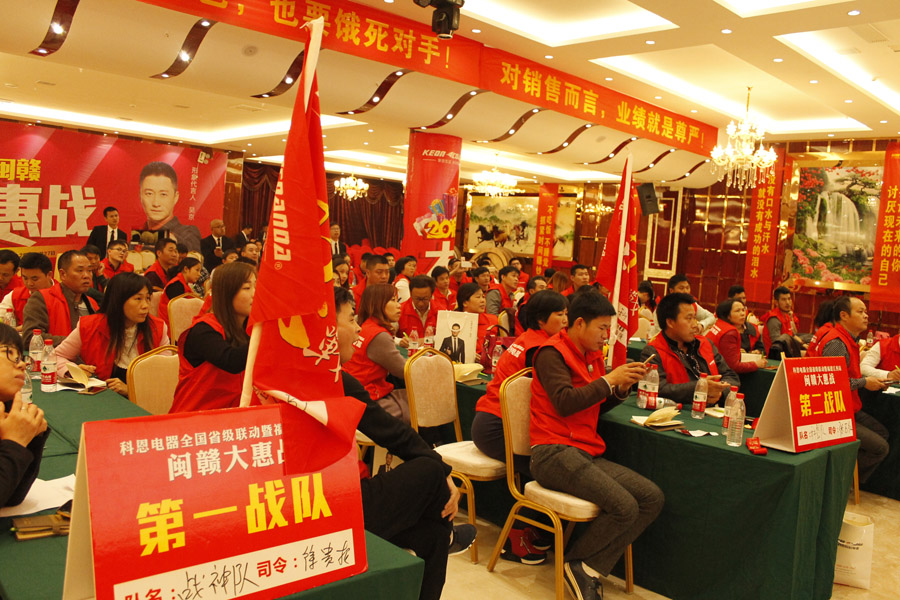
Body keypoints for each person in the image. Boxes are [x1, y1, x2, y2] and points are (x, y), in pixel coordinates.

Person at [333, 286, 474, 600]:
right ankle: (448, 530)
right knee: (429, 471)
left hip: (354, 492)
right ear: (325, 328)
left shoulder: (340, 380)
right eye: (351, 319)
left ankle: (446, 535)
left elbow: (393, 433)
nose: (357, 329)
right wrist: (440, 473)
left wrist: (443, 473)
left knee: (433, 534)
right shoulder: (303, 385)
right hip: (332, 505)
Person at [529, 290, 664, 599]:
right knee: (624, 506)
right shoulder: (551, 353)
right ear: (579, 323)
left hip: (584, 452)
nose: (606, 335)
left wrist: (620, 388)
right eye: (602, 328)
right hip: (551, 452)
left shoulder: (592, 356)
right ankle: (577, 565)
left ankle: (585, 567)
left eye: (608, 328)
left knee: (651, 498)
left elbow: (592, 405)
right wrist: (609, 380)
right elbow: (565, 403)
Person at [471, 290, 567, 564]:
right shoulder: (538, 349)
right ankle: (514, 539)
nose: (565, 319)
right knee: (544, 470)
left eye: (566, 313)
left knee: (542, 468)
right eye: (559, 314)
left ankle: (533, 529)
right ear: (541, 319)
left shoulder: (531, 339)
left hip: (495, 421)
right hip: (496, 426)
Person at [807, 297, 889, 483]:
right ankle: (841, 480)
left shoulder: (848, 339)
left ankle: (844, 475)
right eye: (860, 312)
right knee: (881, 447)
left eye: (866, 311)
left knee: (883, 433)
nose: (866, 316)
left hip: (847, 407)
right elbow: (832, 383)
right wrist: (864, 382)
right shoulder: (837, 343)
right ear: (844, 315)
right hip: (831, 412)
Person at [55, 273, 169, 397]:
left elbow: (166, 375)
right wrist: (74, 371)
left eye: (147, 298)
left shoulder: (157, 328)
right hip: (100, 399)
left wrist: (132, 390)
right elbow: (56, 356)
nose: (146, 306)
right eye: (138, 299)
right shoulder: (90, 326)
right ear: (118, 300)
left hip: (145, 400)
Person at [169, 262, 256, 413]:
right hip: (196, 418)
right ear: (226, 293)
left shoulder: (248, 328)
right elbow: (231, 361)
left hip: (233, 416)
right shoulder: (203, 330)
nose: (255, 293)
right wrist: (266, 334)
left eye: (256, 286)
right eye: (247, 288)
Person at [641, 293, 739, 406]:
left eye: (695, 318)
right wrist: (699, 388)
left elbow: (731, 376)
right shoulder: (653, 351)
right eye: (689, 318)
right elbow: (659, 389)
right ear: (670, 322)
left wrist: (719, 393)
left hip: (713, 410)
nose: (695, 325)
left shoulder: (705, 343)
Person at [343, 284, 410, 423]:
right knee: (423, 403)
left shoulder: (367, 326)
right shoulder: (379, 335)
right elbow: (404, 371)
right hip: (368, 400)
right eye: (393, 300)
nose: (399, 306)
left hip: (354, 394)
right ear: (378, 304)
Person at [0, 323, 49, 507]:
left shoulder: (6, 410)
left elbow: (12, 496)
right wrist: (15, 443)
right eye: (9, 354)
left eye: (20, 357)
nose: (22, 364)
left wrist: (32, 438)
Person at [22, 250, 97, 347]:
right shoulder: (41, 298)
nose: (86, 276)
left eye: (89, 270)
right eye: (80, 270)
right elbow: (30, 338)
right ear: (62, 274)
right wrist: (75, 342)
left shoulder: (92, 303)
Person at [138, 161, 201, 251]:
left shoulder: (188, 233)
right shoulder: (140, 233)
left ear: (175, 197)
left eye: (163, 194)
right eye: (149, 193)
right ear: (140, 196)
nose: (156, 203)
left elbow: (193, 255)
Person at [706, 299, 767, 374]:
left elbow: (762, 349)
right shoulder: (730, 332)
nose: (742, 314)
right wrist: (756, 364)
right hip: (719, 373)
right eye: (737, 311)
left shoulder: (719, 324)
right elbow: (734, 367)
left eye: (743, 310)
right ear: (727, 315)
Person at [648, 274, 715, 337]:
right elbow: (659, 330)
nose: (685, 291)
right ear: (671, 290)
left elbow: (711, 317)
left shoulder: (692, 305)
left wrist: (702, 325)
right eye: (681, 288)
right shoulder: (663, 307)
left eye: (687, 288)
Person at [0, 253, 54, 328]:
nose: (29, 283)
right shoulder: (15, 295)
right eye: (25, 278)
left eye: (35, 279)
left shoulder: (63, 294)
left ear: (49, 275)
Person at [456, 282, 498, 361]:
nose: (483, 301)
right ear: (465, 303)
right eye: (478, 297)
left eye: (483, 297)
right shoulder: (453, 321)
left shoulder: (492, 321)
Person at [761, 286, 805, 358]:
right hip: (776, 357)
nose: (787, 302)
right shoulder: (774, 319)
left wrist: (804, 345)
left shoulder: (787, 315)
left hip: (787, 352)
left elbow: (793, 335)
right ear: (776, 302)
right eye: (783, 300)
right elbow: (777, 345)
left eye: (789, 299)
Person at [158, 257, 202, 329]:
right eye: (197, 270)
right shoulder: (176, 285)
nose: (199, 274)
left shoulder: (183, 283)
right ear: (186, 269)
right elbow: (180, 311)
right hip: (171, 326)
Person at [397, 276, 438, 340]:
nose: (420, 303)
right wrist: (400, 341)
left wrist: (428, 340)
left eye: (425, 299)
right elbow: (389, 337)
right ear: (410, 293)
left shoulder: (440, 311)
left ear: (431, 295)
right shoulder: (399, 311)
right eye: (417, 299)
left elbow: (446, 335)